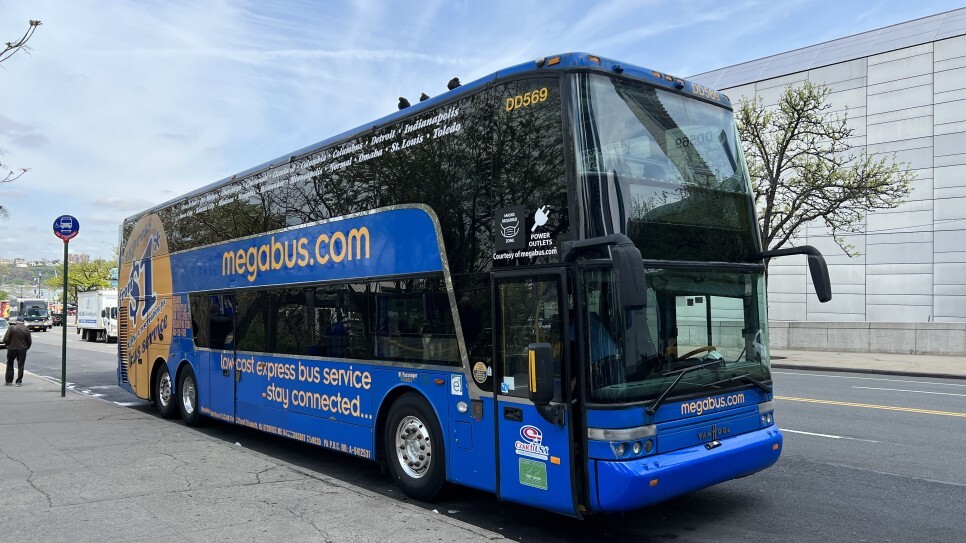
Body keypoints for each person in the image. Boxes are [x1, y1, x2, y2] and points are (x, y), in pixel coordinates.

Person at [4, 320, 32, 387]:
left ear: (16, 322)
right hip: (22, 349)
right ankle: (19, 381)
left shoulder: (11, 328)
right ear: (23, 322)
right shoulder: (26, 329)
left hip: (11, 348)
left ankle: (9, 381)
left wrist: (8, 345)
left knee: (10, 364)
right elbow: (29, 341)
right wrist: (26, 348)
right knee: (21, 365)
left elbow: (5, 339)